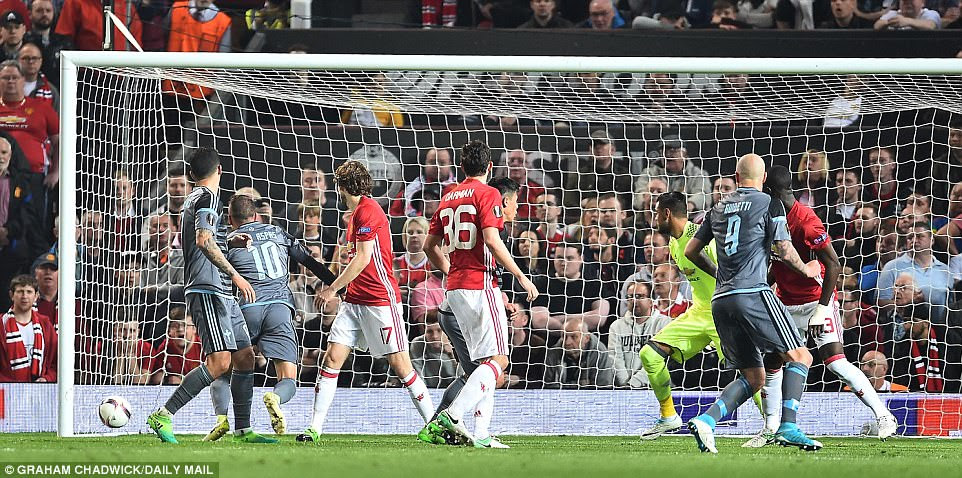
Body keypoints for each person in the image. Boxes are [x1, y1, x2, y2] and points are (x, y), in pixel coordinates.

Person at [746, 165, 896, 447]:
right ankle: (770, 428)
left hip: (816, 300)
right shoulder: (770, 218)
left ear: (770, 191)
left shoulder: (806, 222)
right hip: (786, 303)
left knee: (835, 362)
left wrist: (823, 308)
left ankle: (883, 415)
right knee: (772, 362)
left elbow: (834, 264)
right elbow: (778, 263)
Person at [684, 153, 822, 453]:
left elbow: (691, 251)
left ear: (736, 177)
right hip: (753, 293)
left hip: (721, 300)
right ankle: (788, 427)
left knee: (754, 377)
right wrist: (807, 269)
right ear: (763, 179)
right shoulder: (769, 203)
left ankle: (706, 421)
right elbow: (784, 249)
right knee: (801, 356)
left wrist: (719, 274)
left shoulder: (718, 207)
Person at [297, 160, 436, 443]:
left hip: (379, 300)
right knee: (332, 358)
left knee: (401, 366)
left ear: (342, 187)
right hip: (354, 302)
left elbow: (363, 258)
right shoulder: (355, 215)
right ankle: (315, 428)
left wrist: (332, 288)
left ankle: (433, 424)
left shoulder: (368, 211)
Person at [146, 147, 276, 445]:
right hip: (208, 288)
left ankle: (243, 429)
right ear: (219, 170)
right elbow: (204, 240)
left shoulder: (195, 199)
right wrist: (235, 273)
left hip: (221, 290)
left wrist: (229, 240)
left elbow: (204, 238)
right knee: (219, 362)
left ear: (191, 174)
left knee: (244, 357)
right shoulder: (207, 198)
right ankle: (164, 414)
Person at [423, 140, 539, 449]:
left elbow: (429, 247)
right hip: (480, 284)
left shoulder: (448, 197)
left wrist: (450, 271)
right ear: (489, 167)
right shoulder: (487, 194)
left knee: (484, 364)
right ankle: (452, 415)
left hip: (455, 288)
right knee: (499, 359)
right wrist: (521, 276)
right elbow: (491, 239)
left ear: (461, 167)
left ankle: (483, 433)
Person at [200, 194, 337, 440]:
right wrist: (337, 287)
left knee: (228, 369)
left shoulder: (228, 241)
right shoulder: (279, 233)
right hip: (280, 309)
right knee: (288, 377)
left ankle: (229, 421)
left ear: (230, 219)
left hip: (247, 307)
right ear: (256, 215)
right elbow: (311, 262)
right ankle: (275, 396)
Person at [638, 191, 753, 439]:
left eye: (656, 214)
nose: (654, 219)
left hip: (725, 314)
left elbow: (734, 273)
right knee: (650, 354)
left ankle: (773, 426)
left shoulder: (705, 239)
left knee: (751, 375)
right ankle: (668, 416)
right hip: (699, 312)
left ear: (666, 213)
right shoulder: (673, 243)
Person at [0, 60, 57, 188]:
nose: (11, 81)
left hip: (34, 177)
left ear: (23, 80)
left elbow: (58, 142)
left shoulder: (42, 108)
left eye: (15, 77)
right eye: (6, 78)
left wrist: (56, 172)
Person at [0, 135, 41, 310]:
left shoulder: (20, 182)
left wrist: (8, 232)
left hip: (12, 249)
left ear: (10, 155)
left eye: (4, 152)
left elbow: (28, 213)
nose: (0, 157)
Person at [609, 280, 671, 388]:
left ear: (651, 301)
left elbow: (659, 360)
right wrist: (626, 385)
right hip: (623, 388)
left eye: (639, 296)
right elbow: (615, 359)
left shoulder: (664, 323)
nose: (633, 300)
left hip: (657, 387)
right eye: (630, 297)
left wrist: (633, 383)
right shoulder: (616, 326)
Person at [0, 274, 56, 382]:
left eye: (29, 292)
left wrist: (46, 378)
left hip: (40, 388)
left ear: (36, 296)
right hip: (6, 388)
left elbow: (55, 361)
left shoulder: (45, 324)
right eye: (20, 291)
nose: (24, 296)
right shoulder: (1, 324)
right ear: (11, 295)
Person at [544, 317, 615, 387]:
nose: (567, 342)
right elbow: (549, 388)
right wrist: (581, 384)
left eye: (574, 337)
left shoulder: (600, 352)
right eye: (564, 336)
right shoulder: (553, 354)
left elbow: (604, 386)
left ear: (586, 338)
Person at [55, 0, 142, 51]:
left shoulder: (128, 7)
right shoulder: (76, 3)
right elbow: (64, 39)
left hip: (122, 72)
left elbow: (136, 46)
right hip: (85, 71)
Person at [395, 216, 432, 290]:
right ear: (404, 236)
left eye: (419, 232)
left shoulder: (433, 265)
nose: (414, 235)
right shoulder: (396, 263)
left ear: (427, 235)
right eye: (410, 232)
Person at [19, 42, 56, 109]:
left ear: (40, 61)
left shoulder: (51, 90)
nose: (31, 62)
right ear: (18, 60)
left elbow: (57, 114)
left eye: (34, 58)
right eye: (26, 58)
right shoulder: (8, 86)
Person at [874, 0, 941, 28]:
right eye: (904, 1)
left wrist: (907, 21)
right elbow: (877, 25)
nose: (908, 4)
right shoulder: (892, 14)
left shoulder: (930, 14)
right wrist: (889, 22)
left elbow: (931, 25)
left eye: (911, 1)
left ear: (923, 2)